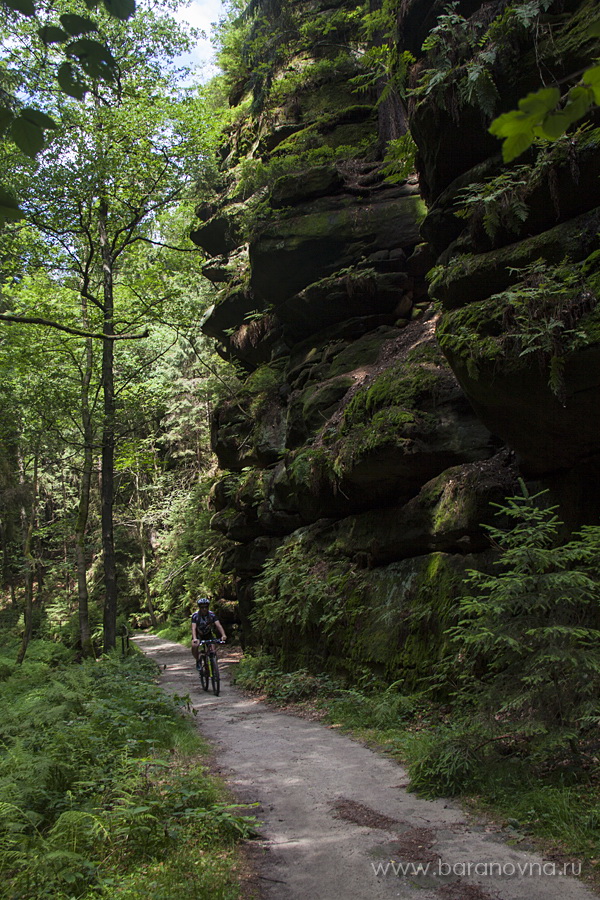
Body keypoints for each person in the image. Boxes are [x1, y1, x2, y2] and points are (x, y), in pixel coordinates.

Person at [191, 597, 226, 667]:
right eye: (202, 607)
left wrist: (223, 635)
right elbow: (193, 628)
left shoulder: (212, 615)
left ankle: (214, 666)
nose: (204, 609)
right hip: (198, 635)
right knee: (194, 646)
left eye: (206, 607)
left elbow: (218, 625)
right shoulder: (195, 616)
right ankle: (198, 660)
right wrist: (194, 638)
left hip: (208, 634)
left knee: (213, 650)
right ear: (199, 608)